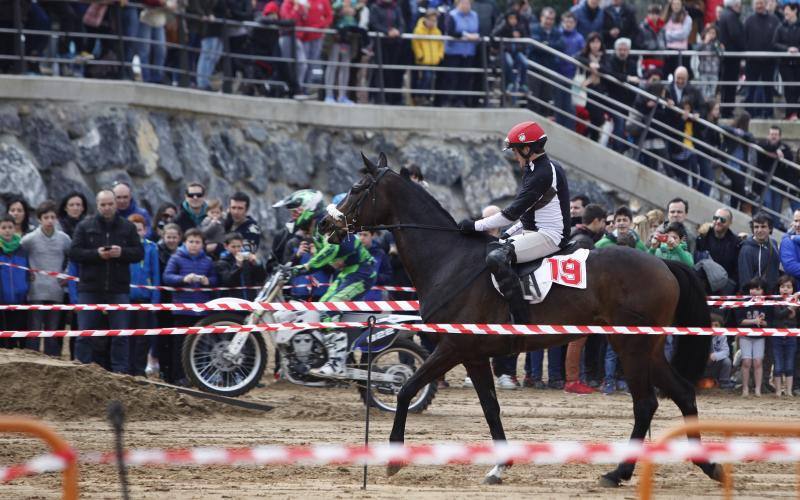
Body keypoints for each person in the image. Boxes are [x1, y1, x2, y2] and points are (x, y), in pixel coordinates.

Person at [457, 121, 571, 327]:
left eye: (516, 151)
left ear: (527, 149)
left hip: (550, 236)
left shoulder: (542, 173)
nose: (514, 156)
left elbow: (510, 213)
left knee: (496, 257)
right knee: (493, 246)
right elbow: (525, 215)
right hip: (534, 231)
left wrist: (474, 225)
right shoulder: (535, 168)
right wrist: (506, 235)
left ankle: (520, 318)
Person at [289, 205, 376, 378]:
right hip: (349, 273)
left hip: (361, 274)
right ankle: (327, 357)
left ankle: (337, 363)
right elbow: (330, 258)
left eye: (298, 210)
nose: (294, 214)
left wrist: (298, 269)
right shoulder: (318, 231)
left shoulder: (328, 226)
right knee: (320, 308)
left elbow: (328, 252)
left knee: (329, 310)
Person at [68, 190, 143, 373]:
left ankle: (120, 372)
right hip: (90, 287)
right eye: (103, 204)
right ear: (97, 205)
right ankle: (82, 370)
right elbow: (74, 252)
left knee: (120, 335)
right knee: (84, 333)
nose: (107, 208)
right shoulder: (84, 226)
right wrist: (97, 254)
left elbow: (139, 253)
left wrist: (122, 252)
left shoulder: (128, 227)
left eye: (110, 204)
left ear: (116, 204)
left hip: (118, 288)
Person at [163, 228, 218, 384]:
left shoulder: (207, 261)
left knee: (202, 345)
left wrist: (209, 281)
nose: (194, 245)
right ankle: (178, 377)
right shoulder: (176, 258)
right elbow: (167, 277)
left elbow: (215, 280)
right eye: (191, 242)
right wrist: (183, 279)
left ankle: (201, 377)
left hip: (201, 311)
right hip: (182, 310)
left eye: (197, 242)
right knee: (180, 346)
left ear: (202, 244)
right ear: (185, 243)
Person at [564, 203, 606, 394]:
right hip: (578, 299)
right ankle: (572, 380)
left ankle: (574, 379)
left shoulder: (575, 235)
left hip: (572, 297)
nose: (604, 226)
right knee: (577, 339)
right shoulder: (584, 241)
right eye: (603, 222)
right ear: (596, 221)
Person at [20, 201, 71, 357]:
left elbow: (72, 257)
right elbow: (20, 255)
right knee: (34, 329)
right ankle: (31, 361)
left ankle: (52, 362)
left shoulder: (64, 239)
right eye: (46, 217)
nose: (50, 220)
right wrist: (26, 272)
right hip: (35, 291)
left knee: (52, 330)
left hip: (56, 291)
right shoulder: (30, 239)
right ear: (39, 219)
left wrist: (67, 274)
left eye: (52, 217)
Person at [127, 213, 160, 376]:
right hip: (126, 299)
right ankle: (127, 369)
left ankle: (139, 369)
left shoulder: (151, 247)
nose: (136, 232)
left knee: (143, 338)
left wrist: (155, 299)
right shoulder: (123, 247)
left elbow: (155, 275)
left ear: (144, 230)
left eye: (139, 229)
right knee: (126, 336)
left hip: (145, 299)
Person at [735, 277, 771, 396]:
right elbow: (740, 321)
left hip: (760, 337)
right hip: (745, 336)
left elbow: (770, 323)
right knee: (746, 362)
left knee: (757, 362)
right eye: (752, 288)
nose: (754, 291)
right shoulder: (744, 302)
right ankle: (745, 388)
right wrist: (754, 321)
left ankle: (758, 389)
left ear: (763, 291)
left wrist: (762, 323)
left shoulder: (767, 304)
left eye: (758, 289)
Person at [601, 37, 639, 151]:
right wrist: (627, 78)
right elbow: (611, 74)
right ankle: (618, 149)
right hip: (612, 100)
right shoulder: (610, 61)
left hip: (627, 102)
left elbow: (636, 82)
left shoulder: (632, 63)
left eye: (625, 50)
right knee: (619, 121)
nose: (622, 52)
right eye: (620, 49)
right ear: (616, 50)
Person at [744, 0, 780, 119]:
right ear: (754, 5)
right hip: (752, 62)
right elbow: (744, 39)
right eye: (757, 4)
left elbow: (778, 39)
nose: (759, 6)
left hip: (769, 62)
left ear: (765, 4)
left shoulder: (774, 20)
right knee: (750, 89)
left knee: (768, 89)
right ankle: (749, 113)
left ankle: (769, 113)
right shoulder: (749, 20)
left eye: (761, 3)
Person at [440, 0, 480, 107]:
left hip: (469, 53)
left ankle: (460, 100)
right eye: (464, 3)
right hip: (453, 52)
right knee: (451, 78)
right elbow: (451, 31)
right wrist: (466, 35)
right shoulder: (452, 15)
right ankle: (448, 100)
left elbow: (476, 30)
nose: (466, 5)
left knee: (465, 78)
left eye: (468, 3)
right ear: (458, 4)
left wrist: (475, 36)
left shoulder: (474, 15)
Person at [529, 8, 566, 120]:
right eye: (547, 18)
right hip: (535, 68)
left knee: (546, 98)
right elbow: (534, 45)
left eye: (551, 19)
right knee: (533, 97)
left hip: (549, 68)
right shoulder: (533, 28)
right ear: (541, 18)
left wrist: (545, 45)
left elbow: (561, 46)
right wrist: (549, 46)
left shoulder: (556, 32)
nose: (548, 21)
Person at [369, 0, 407, 105]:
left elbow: (401, 24)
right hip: (380, 43)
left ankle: (390, 98)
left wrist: (398, 31)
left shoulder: (396, 8)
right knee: (380, 71)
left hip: (395, 44)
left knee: (392, 72)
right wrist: (387, 31)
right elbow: (374, 23)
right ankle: (377, 98)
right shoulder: (375, 7)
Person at [0, 215, 29, 350]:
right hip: (2, 301)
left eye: (10, 227)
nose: (7, 231)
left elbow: (28, 272)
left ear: (15, 229)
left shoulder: (22, 250)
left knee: (17, 337)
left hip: (20, 301)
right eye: (3, 228)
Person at [756, 126, 794, 222]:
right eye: (772, 134)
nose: (773, 137)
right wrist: (775, 150)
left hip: (779, 184)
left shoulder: (785, 148)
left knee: (776, 210)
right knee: (767, 205)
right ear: (768, 135)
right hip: (765, 182)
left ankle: (775, 231)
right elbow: (760, 145)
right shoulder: (763, 144)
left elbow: (789, 159)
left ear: (780, 137)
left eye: (776, 135)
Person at [575, 32, 608, 142]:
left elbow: (607, 69)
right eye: (592, 42)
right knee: (586, 118)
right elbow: (577, 57)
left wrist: (598, 67)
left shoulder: (604, 56)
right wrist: (590, 64)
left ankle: (593, 139)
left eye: (597, 42)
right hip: (585, 92)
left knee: (598, 119)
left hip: (599, 91)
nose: (595, 45)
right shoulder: (584, 55)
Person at [215, 232, 267, 301]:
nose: (237, 250)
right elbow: (228, 282)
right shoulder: (222, 263)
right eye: (233, 247)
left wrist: (257, 264)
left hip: (249, 301)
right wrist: (237, 266)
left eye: (239, 246)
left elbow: (261, 279)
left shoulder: (247, 261)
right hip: (231, 304)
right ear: (226, 246)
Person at [720, 111, 756, 210]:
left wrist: (742, 133)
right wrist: (735, 131)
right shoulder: (731, 130)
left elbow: (752, 139)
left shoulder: (746, 135)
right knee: (739, 184)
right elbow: (722, 128)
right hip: (729, 163)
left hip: (740, 166)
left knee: (736, 189)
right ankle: (748, 200)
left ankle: (734, 208)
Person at [695, 207, 740, 284]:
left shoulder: (736, 243)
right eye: (716, 218)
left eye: (723, 220)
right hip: (701, 281)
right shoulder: (703, 236)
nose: (718, 221)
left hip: (723, 285)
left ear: (730, 223)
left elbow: (736, 269)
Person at [738, 212, 780, 292]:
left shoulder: (773, 244)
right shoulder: (746, 249)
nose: (759, 230)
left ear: (770, 228)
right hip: (756, 297)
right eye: (756, 227)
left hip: (773, 295)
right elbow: (745, 279)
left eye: (763, 226)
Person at [716, 0, 745, 118]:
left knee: (727, 84)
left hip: (728, 56)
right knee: (730, 84)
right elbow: (735, 34)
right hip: (731, 56)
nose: (740, 7)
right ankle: (727, 110)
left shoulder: (725, 14)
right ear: (734, 5)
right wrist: (744, 47)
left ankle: (726, 109)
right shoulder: (731, 16)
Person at [492, 10, 530, 96]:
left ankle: (523, 84)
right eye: (511, 18)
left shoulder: (520, 27)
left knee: (525, 63)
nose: (513, 20)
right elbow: (493, 35)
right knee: (509, 63)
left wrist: (519, 38)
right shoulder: (503, 27)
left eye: (515, 18)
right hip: (506, 52)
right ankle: (511, 83)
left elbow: (526, 41)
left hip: (517, 52)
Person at [411, 9, 444, 106]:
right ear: (426, 19)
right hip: (424, 60)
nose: (432, 23)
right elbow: (416, 44)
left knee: (431, 79)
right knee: (426, 78)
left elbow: (441, 45)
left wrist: (440, 55)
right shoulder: (418, 30)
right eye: (431, 20)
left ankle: (427, 97)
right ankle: (420, 96)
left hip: (434, 60)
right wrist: (420, 55)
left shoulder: (437, 32)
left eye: (434, 20)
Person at [774, 3, 800, 120]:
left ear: (795, 11)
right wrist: (787, 49)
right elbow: (774, 43)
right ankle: (790, 113)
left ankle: (797, 113)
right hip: (785, 64)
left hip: (798, 63)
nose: (785, 13)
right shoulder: (780, 27)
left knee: (797, 88)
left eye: (788, 10)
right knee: (789, 89)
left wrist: (797, 50)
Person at [773, 274, 797, 397]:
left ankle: (788, 391)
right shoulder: (775, 301)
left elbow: (795, 318)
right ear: (779, 288)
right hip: (777, 336)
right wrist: (790, 308)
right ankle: (778, 391)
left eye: (788, 286)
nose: (786, 289)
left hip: (792, 335)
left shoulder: (797, 301)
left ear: (793, 289)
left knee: (789, 364)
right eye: (783, 286)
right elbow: (779, 315)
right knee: (777, 365)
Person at [661, 0, 693, 78]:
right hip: (668, 52)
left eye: (678, 4)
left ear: (682, 5)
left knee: (680, 76)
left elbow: (683, 34)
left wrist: (669, 34)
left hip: (681, 53)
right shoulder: (666, 17)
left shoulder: (687, 18)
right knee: (665, 75)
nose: (676, 6)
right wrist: (674, 34)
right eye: (674, 4)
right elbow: (662, 32)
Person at [701, 312, 734, 388]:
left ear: (721, 327)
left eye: (716, 325)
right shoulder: (701, 335)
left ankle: (724, 383)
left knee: (727, 361)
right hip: (702, 366)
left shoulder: (722, 336)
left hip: (715, 365)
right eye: (711, 325)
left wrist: (715, 355)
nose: (713, 328)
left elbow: (726, 351)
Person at [635, 4, 666, 75]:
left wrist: (663, 46)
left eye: (656, 14)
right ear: (648, 14)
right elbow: (639, 42)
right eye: (652, 13)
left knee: (660, 79)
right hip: (648, 59)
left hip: (660, 58)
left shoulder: (662, 27)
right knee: (648, 79)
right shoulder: (643, 26)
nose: (654, 16)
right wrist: (650, 45)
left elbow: (664, 40)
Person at [694, 24, 722, 102]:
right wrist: (705, 42)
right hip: (703, 71)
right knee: (703, 92)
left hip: (714, 72)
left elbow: (721, 53)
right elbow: (696, 49)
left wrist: (717, 46)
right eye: (710, 33)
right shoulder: (702, 43)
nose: (711, 35)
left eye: (713, 33)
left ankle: (711, 108)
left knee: (712, 93)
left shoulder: (717, 44)